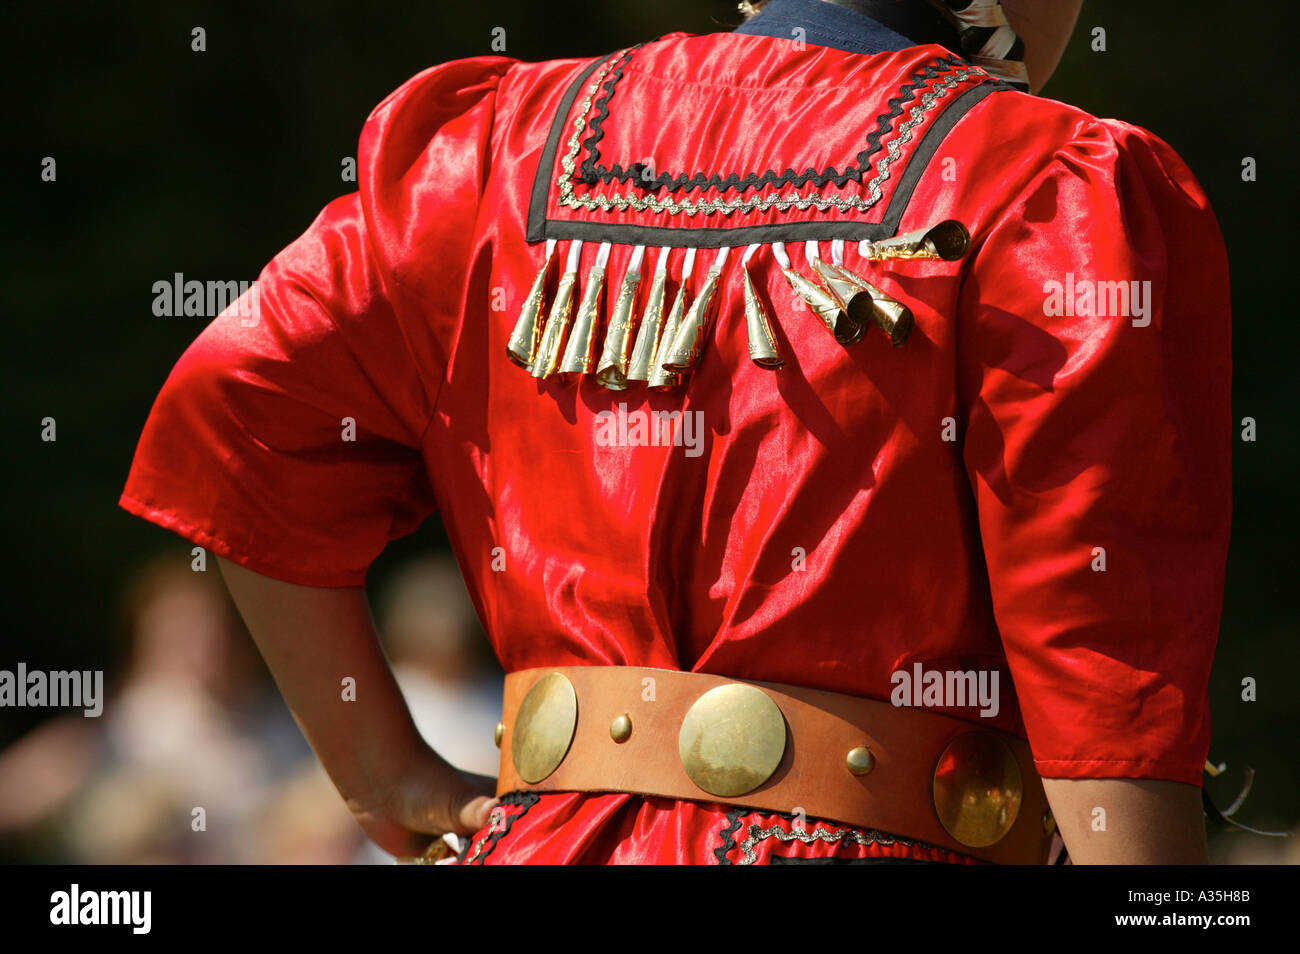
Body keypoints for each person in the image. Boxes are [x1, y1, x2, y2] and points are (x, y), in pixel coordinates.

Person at [120, 0, 1230, 864]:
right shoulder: (1045, 184)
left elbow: (234, 410)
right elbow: (1100, 644)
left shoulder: (494, 149)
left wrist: (374, 763)